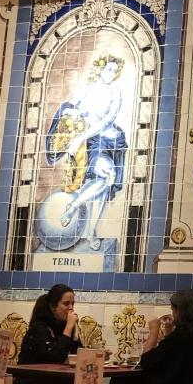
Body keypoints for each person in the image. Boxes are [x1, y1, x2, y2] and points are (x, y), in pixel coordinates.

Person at [45, 52, 128, 251]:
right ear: (100, 69)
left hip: (110, 141)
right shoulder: (86, 89)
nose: (111, 74)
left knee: (105, 183)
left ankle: (84, 222)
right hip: (91, 143)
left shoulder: (115, 93)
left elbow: (105, 121)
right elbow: (69, 109)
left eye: (114, 71)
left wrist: (80, 137)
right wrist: (71, 114)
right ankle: (81, 218)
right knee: (105, 177)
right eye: (108, 69)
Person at [18, 283, 81, 365]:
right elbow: (56, 357)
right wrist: (68, 327)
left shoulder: (64, 326)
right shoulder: (39, 327)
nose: (71, 308)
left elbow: (78, 355)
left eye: (72, 304)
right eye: (66, 304)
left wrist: (74, 330)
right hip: (31, 372)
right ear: (53, 307)